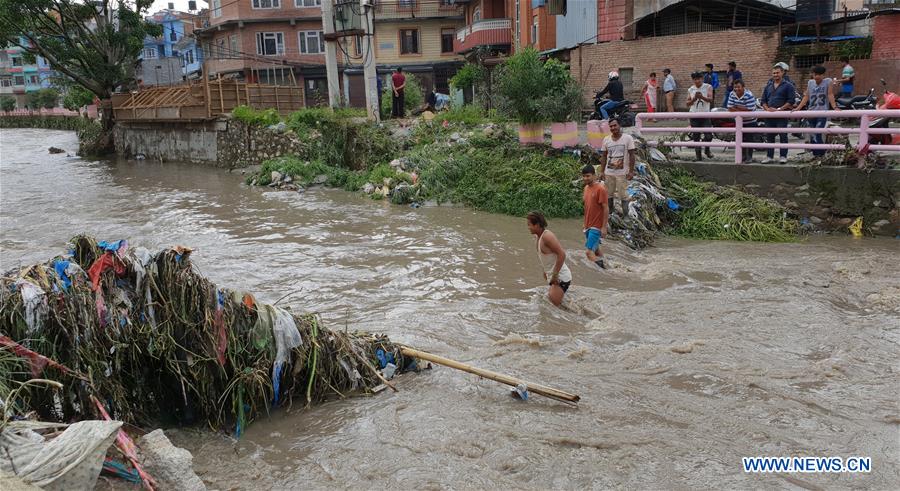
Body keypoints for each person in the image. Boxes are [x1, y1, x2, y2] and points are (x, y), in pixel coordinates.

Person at [527, 211, 572, 307]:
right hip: (553, 278)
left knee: (551, 307)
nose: (528, 227)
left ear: (537, 225)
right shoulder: (538, 237)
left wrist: (555, 275)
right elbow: (547, 257)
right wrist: (545, 271)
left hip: (561, 278)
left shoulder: (547, 236)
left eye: (529, 225)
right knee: (554, 307)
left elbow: (562, 254)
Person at [793, 65, 838, 157]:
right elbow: (807, 96)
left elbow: (830, 94)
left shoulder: (827, 82)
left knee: (818, 133)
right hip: (811, 112)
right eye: (814, 74)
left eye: (818, 75)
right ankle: (815, 155)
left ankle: (820, 155)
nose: (816, 76)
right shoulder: (810, 83)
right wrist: (798, 107)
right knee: (812, 134)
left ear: (823, 75)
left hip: (822, 112)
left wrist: (834, 106)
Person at [760, 63, 796, 164]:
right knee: (769, 136)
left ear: (782, 73)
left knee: (783, 136)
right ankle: (769, 156)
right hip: (769, 115)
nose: (775, 75)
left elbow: (791, 101)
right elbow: (763, 100)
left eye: (777, 73)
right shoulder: (768, 86)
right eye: (774, 73)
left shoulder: (788, 86)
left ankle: (783, 156)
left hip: (782, 115)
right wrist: (767, 109)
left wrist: (779, 109)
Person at [600, 118, 636, 214]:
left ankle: (626, 216)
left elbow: (632, 155)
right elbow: (603, 156)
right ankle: (611, 213)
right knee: (608, 194)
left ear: (619, 126)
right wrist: (601, 171)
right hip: (609, 173)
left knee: (623, 195)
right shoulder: (606, 140)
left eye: (615, 125)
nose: (613, 128)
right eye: (611, 126)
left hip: (622, 173)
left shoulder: (627, 138)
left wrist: (631, 171)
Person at [581, 164, 609, 269]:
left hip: (596, 226)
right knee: (596, 250)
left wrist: (604, 227)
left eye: (588, 176)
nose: (585, 178)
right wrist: (584, 223)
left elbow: (606, 208)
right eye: (583, 176)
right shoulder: (586, 188)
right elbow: (587, 207)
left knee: (589, 252)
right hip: (588, 225)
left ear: (594, 175)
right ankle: (608, 266)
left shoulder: (600, 189)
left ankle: (604, 272)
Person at [726, 79, 758, 163]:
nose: (736, 89)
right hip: (739, 122)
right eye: (735, 87)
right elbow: (729, 107)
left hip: (750, 121)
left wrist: (737, 107)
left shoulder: (749, 95)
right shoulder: (731, 94)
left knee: (749, 139)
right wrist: (742, 109)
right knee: (740, 139)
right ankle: (742, 156)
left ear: (743, 87)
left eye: (738, 87)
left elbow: (750, 110)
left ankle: (749, 157)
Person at [687, 71, 714, 161]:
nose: (697, 81)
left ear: (702, 79)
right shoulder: (691, 89)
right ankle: (698, 156)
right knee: (696, 136)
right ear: (693, 80)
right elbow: (687, 103)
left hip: (705, 114)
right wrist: (694, 98)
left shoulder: (708, 87)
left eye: (698, 79)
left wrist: (702, 97)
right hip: (694, 115)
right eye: (695, 79)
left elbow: (711, 99)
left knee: (709, 135)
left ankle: (707, 149)